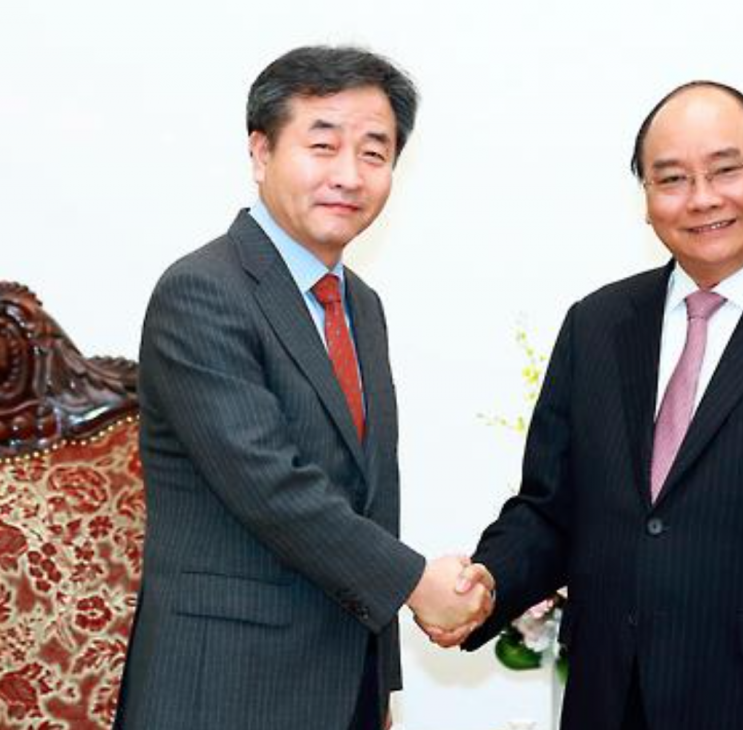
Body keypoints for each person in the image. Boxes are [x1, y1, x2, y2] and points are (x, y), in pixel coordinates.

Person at [448, 81, 743, 730]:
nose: (703, 198)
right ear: (645, 200)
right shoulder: (597, 324)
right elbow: (552, 510)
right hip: (609, 702)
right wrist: (484, 588)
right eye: (671, 178)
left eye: (726, 169)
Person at [113, 45, 492, 730]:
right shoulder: (203, 291)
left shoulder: (360, 306)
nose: (349, 175)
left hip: (339, 686)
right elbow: (271, 487)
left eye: (374, 153)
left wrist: (379, 688)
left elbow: (372, 495)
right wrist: (416, 584)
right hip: (222, 688)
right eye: (323, 146)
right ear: (260, 153)